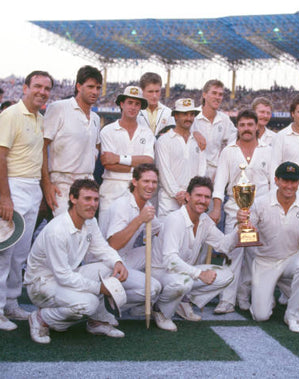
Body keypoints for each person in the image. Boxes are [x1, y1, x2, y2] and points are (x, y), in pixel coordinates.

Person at [0, 71, 54, 331]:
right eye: (37, 86)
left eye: (46, 88)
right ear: (25, 87)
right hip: (10, 185)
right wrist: (5, 196)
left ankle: (11, 303)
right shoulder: (10, 115)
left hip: (31, 188)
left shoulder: (41, 118)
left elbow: (40, 157)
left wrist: (43, 189)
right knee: (2, 251)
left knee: (20, 253)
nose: (42, 92)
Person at [24, 179, 128, 343]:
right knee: (89, 303)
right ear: (73, 198)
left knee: (107, 268)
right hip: (41, 285)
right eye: (87, 199)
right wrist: (99, 288)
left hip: (64, 276)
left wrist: (117, 262)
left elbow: (102, 248)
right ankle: (41, 318)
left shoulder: (90, 221)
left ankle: (96, 322)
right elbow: (63, 276)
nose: (93, 204)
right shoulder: (57, 231)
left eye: (95, 199)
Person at [238, 162, 299, 332]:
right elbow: (245, 235)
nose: (289, 186)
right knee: (261, 316)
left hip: (292, 257)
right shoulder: (260, 202)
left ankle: (293, 315)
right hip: (265, 261)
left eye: (294, 181)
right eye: (285, 181)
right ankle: (270, 289)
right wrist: (242, 222)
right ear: (276, 180)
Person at [210, 109, 274, 314]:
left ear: (257, 127)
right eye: (243, 125)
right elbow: (220, 182)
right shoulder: (229, 151)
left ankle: (244, 296)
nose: (246, 129)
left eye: (250, 125)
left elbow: (274, 183)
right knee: (232, 255)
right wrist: (217, 207)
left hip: (261, 212)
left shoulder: (268, 150)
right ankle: (227, 300)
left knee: (254, 257)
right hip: (234, 211)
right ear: (237, 127)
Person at [151, 176, 235, 331]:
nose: (203, 200)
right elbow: (170, 259)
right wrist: (199, 274)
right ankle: (160, 309)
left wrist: (240, 229)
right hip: (160, 274)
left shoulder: (204, 220)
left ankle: (182, 300)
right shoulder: (175, 219)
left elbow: (224, 245)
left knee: (227, 275)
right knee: (184, 282)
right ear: (188, 197)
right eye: (198, 196)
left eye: (207, 197)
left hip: (183, 274)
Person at [99, 164, 162, 318]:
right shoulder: (122, 204)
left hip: (124, 257)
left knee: (159, 252)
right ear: (134, 182)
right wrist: (140, 219)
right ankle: (103, 306)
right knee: (153, 288)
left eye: (154, 182)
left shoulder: (146, 205)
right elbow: (113, 244)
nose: (150, 186)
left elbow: (160, 230)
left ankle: (133, 306)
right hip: (106, 263)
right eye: (146, 181)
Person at [41, 65, 103, 216]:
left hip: (87, 185)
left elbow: (96, 146)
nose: (95, 92)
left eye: (98, 87)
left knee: (85, 235)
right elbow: (41, 147)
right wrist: (46, 184)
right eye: (90, 87)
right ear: (79, 86)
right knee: (65, 232)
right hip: (62, 183)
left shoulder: (95, 118)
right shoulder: (59, 108)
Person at [99, 86, 155, 220]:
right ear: (122, 104)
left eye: (137, 104)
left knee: (130, 235)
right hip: (111, 187)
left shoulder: (146, 133)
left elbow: (148, 161)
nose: (133, 107)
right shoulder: (108, 131)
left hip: (135, 189)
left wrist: (118, 158)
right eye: (130, 102)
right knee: (106, 234)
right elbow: (108, 164)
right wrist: (137, 166)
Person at [155, 98, 205, 217]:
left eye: (191, 114)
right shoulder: (164, 141)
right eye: (184, 114)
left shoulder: (198, 141)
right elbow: (163, 172)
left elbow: (202, 169)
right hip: (169, 202)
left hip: (192, 201)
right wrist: (178, 193)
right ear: (176, 116)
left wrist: (193, 194)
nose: (188, 118)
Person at [191, 80, 236, 180]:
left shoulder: (224, 120)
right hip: (192, 171)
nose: (217, 97)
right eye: (214, 93)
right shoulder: (191, 115)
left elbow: (235, 142)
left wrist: (223, 168)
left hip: (215, 175)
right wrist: (193, 133)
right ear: (204, 95)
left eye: (220, 94)